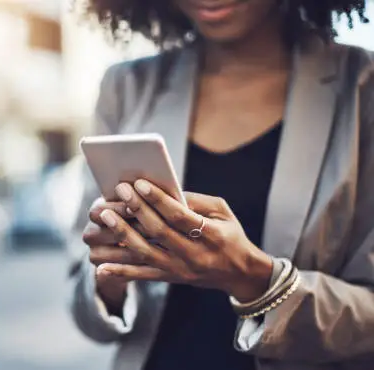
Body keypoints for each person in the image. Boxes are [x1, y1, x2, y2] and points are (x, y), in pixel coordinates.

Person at [68, 1, 374, 370]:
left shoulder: (362, 88)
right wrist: (112, 278)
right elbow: (88, 313)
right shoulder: (127, 87)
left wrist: (253, 278)